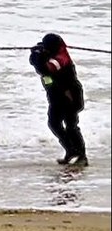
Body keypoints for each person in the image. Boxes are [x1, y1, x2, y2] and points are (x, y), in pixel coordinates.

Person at [30, 33, 86, 167]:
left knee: (71, 126)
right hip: (56, 95)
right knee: (54, 123)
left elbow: (45, 68)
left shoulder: (61, 58)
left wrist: (38, 55)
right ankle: (71, 151)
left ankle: (82, 156)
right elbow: (36, 64)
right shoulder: (51, 53)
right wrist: (35, 53)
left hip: (69, 96)